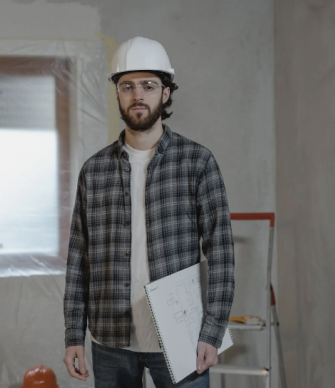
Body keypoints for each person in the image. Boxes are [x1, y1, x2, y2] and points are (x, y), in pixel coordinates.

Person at [63, 36, 235, 388]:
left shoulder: (197, 162)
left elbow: (221, 253)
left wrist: (213, 331)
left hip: (181, 337)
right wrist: (72, 334)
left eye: (148, 85)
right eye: (127, 86)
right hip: (110, 340)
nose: (137, 95)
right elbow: (79, 259)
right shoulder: (93, 171)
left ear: (166, 92)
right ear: (117, 94)